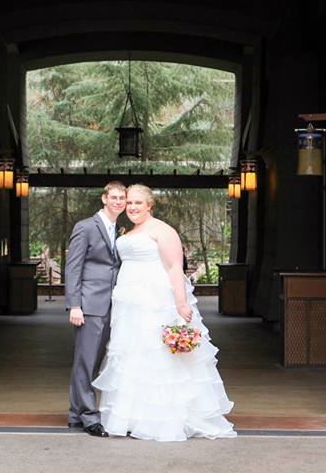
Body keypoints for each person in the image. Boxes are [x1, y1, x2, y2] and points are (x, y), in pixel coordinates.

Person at [93, 184, 236, 441]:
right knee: (132, 355)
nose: (133, 207)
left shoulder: (163, 230)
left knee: (157, 355)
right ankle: (132, 416)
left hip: (155, 299)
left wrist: (181, 303)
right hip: (129, 303)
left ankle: (163, 419)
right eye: (130, 203)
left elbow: (173, 267)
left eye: (139, 203)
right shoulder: (128, 231)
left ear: (150, 205)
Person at [65, 181, 127, 438]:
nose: (118, 202)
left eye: (122, 198)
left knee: (91, 361)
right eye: (113, 197)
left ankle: (75, 414)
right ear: (104, 198)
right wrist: (74, 305)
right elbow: (73, 267)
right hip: (89, 305)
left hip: (111, 302)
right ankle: (90, 417)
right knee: (86, 361)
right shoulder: (86, 227)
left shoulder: (119, 229)